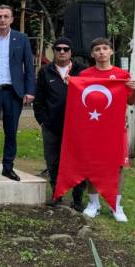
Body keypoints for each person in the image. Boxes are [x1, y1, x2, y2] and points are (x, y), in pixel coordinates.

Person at [79, 38, 135, 222]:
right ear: (92, 54)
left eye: (105, 48)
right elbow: (78, 102)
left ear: (111, 52)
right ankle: (93, 203)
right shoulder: (84, 74)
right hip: (93, 129)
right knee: (92, 165)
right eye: (97, 49)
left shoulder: (122, 74)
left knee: (118, 166)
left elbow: (130, 101)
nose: (101, 52)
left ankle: (116, 205)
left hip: (115, 129)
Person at [0, 5, 35, 181]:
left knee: (11, 131)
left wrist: (29, 90)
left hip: (13, 92)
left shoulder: (22, 38)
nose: (2, 20)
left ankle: (8, 167)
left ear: (11, 19)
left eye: (6, 16)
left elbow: (29, 66)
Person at [33, 37, 86, 210]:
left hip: (78, 127)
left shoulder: (83, 71)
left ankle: (77, 198)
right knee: (53, 161)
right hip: (52, 126)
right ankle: (57, 194)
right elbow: (39, 99)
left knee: (78, 162)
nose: (62, 52)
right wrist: (43, 121)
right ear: (54, 51)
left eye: (65, 49)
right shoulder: (45, 71)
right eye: (58, 49)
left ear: (71, 52)